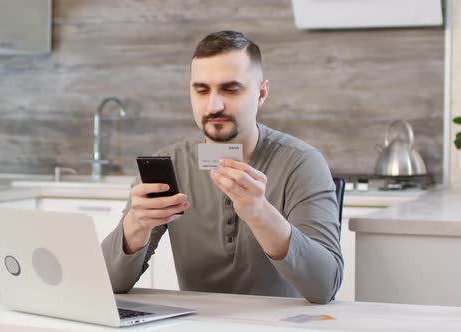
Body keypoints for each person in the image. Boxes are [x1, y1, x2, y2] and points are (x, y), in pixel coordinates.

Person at [101, 30, 343, 304]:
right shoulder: (171, 164)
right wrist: (135, 225)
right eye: (202, 90)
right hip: (196, 324)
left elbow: (324, 287)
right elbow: (109, 283)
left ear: (261, 93)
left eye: (230, 89)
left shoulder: (302, 163)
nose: (213, 105)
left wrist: (261, 214)